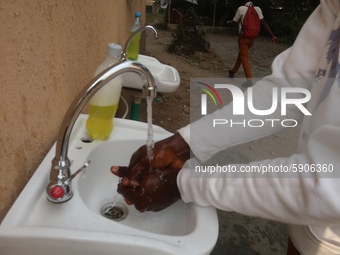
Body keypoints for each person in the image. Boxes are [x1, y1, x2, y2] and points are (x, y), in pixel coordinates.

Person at [111, 0, 340, 254]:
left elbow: (330, 184)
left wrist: (181, 184)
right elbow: (288, 89)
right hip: (305, 226)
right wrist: (182, 144)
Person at [226, 0, 278, 88]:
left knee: (244, 57)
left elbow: (234, 22)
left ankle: (249, 81)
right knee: (242, 55)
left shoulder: (241, 9)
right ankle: (233, 71)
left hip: (243, 38)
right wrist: (272, 35)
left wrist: (228, 22)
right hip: (252, 39)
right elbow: (264, 23)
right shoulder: (258, 9)